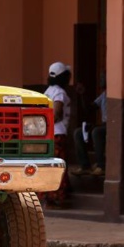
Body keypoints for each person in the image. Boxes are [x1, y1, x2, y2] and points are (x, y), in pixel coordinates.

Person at [41, 61, 72, 208]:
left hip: (47, 134)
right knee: (58, 166)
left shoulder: (48, 91)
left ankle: (48, 197)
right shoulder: (59, 92)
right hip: (57, 133)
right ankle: (56, 198)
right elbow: (57, 112)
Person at [71, 75, 107, 177]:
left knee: (97, 132)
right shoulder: (103, 95)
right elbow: (89, 109)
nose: (101, 80)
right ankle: (85, 165)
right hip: (104, 125)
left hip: (113, 125)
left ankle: (101, 166)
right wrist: (83, 94)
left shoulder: (112, 94)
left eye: (103, 78)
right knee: (78, 132)